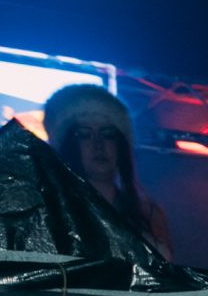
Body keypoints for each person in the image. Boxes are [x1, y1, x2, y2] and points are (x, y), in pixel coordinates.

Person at [40, 84, 173, 260]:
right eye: (84, 135)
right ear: (68, 146)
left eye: (108, 134)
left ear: (121, 145)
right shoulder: (50, 211)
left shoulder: (149, 214)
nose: (98, 144)